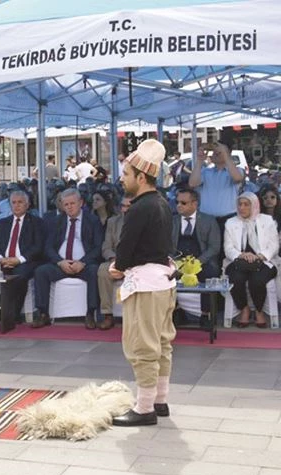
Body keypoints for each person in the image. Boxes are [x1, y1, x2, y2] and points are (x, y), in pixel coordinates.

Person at [109, 139, 176, 427]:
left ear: (140, 176)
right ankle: (159, 400)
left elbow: (126, 247)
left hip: (146, 285)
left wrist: (117, 267)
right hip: (162, 282)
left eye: (125, 174)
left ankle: (145, 407)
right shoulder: (162, 203)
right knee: (161, 344)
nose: (122, 180)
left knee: (142, 346)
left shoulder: (139, 208)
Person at [32, 188, 103, 330]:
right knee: (41, 272)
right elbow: (48, 247)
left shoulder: (92, 220)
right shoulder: (56, 221)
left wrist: (83, 262)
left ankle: (90, 313)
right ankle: (43, 313)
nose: (69, 207)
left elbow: (98, 247)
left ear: (81, 203)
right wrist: (60, 261)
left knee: (95, 271)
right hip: (61, 264)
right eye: (66, 204)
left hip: (84, 264)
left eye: (72, 203)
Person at [223, 192, 279, 328]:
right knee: (235, 279)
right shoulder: (231, 222)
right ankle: (244, 309)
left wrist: (260, 255)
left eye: (246, 204)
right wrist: (241, 255)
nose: (242, 208)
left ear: (254, 205)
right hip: (238, 261)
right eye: (240, 204)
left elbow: (274, 245)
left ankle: (259, 311)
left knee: (257, 280)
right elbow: (228, 247)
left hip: (264, 261)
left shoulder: (267, 221)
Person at [0, 191, 45, 326]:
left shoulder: (36, 222)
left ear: (27, 205)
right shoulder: (3, 222)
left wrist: (18, 260)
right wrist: (0, 259)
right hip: (3, 260)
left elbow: (38, 247)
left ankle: (14, 313)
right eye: (13, 203)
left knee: (19, 275)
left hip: (25, 261)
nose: (16, 206)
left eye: (20, 202)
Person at [171, 188, 221, 327]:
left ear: (195, 204)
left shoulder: (209, 220)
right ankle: (175, 311)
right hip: (177, 261)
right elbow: (166, 246)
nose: (179, 205)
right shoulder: (172, 221)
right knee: (164, 274)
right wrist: (175, 262)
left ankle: (206, 315)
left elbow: (214, 247)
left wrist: (197, 263)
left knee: (209, 274)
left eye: (183, 202)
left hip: (202, 261)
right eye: (177, 202)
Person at [188, 139, 245, 233]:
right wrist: (199, 161)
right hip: (206, 219)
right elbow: (192, 183)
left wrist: (226, 154)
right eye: (214, 152)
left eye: (218, 153)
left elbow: (237, 178)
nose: (214, 154)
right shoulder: (206, 172)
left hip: (229, 219)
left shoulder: (238, 170)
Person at [97, 195, 131, 330]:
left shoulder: (145, 221)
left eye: (129, 206)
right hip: (117, 260)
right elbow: (106, 247)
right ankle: (107, 315)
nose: (125, 210)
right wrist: (113, 259)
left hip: (138, 263)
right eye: (123, 206)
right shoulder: (113, 222)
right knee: (103, 270)